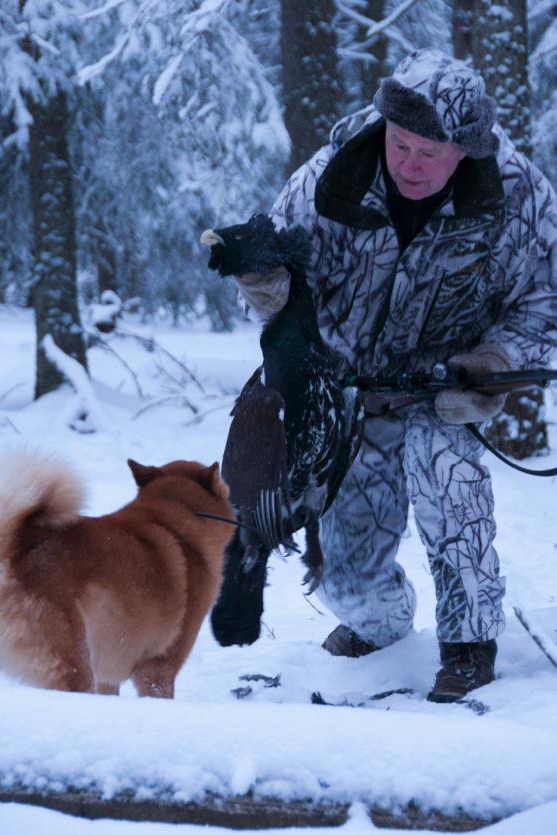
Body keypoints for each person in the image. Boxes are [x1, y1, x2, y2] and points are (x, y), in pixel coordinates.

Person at [234, 49, 557, 702]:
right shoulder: (333, 176)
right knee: (345, 572)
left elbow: (545, 301)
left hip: (445, 392)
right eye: (400, 143)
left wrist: (493, 366)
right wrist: (268, 286)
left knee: (450, 479)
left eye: (428, 153)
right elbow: (286, 276)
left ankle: (470, 641)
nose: (408, 162)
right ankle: (379, 628)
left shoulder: (519, 196)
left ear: (465, 152)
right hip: (349, 397)